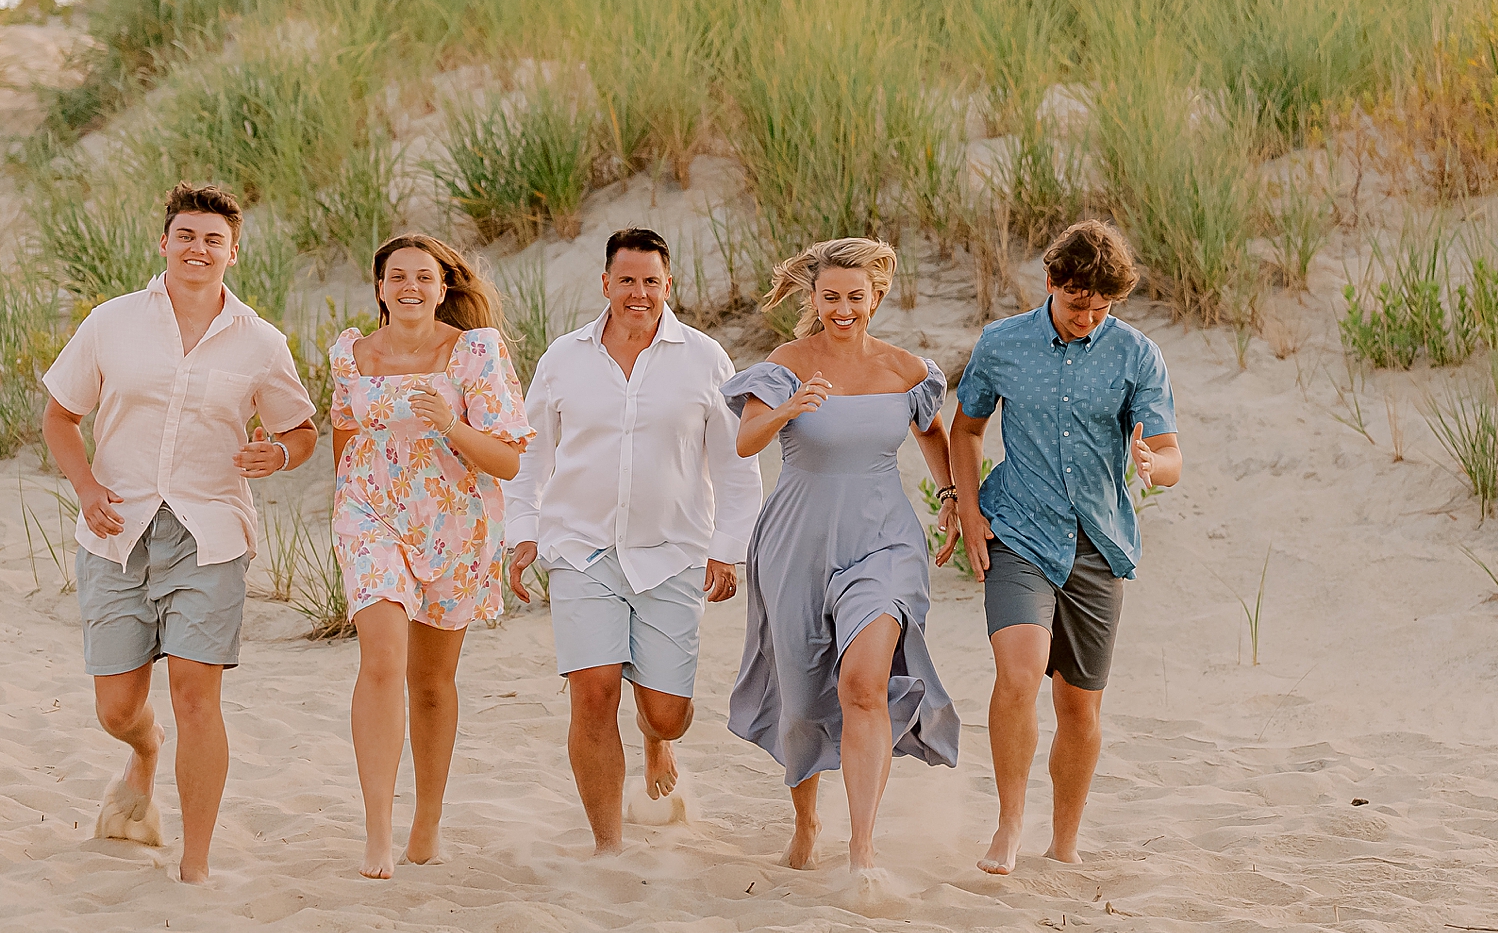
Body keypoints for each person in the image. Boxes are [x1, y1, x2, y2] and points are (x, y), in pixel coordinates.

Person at [41, 181, 319, 885]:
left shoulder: (259, 342)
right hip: (116, 531)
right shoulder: (112, 323)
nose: (199, 249)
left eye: (213, 240)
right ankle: (142, 753)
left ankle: (194, 862)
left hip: (211, 534)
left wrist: (280, 454)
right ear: (164, 243)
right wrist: (86, 488)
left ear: (233, 252)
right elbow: (60, 417)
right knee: (116, 709)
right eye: (187, 236)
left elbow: (301, 429)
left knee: (196, 693)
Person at [504, 228, 763, 855]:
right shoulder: (563, 358)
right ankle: (608, 847)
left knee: (667, 710)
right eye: (626, 280)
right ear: (605, 284)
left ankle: (658, 739)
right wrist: (524, 533)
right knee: (592, 695)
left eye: (651, 281)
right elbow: (529, 451)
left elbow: (734, 465)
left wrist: (727, 547)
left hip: (671, 551)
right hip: (580, 548)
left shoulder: (705, 359)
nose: (638, 293)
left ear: (668, 286)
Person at [946, 219, 1182, 876]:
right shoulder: (1003, 343)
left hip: (1098, 543)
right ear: (1051, 282)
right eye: (1078, 303)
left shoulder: (1137, 355)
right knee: (1018, 676)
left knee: (1078, 706)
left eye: (1102, 307)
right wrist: (966, 509)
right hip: (1018, 530)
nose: (1088, 317)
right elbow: (965, 430)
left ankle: (1064, 840)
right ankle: (1009, 824)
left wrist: (1151, 465)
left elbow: (1169, 455)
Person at [722, 237, 961, 875]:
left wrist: (950, 494)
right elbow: (746, 440)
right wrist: (789, 410)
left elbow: (933, 431)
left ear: (876, 298)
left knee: (862, 685)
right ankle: (806, 822)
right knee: (801, 701)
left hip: (884, 544)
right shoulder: (787, 362)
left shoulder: (905, 371)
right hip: (798, 542)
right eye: (831, 296)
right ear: (815, 297)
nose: (843, 308)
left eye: (856, 297)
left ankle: (862, 852)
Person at [329, 233, 532, 879]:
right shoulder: (352, 355)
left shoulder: (475, 352)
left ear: (444, 287)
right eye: (398, 277)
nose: (411, 287)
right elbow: (343, 434)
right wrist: (351, 511)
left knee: (432, 683)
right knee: (384, 657)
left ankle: (428, 819)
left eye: (425, 277)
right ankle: (377, 832)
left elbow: (507, 459)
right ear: (381, 288)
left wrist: (450, 422)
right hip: (371, 516)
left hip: (454, 523)